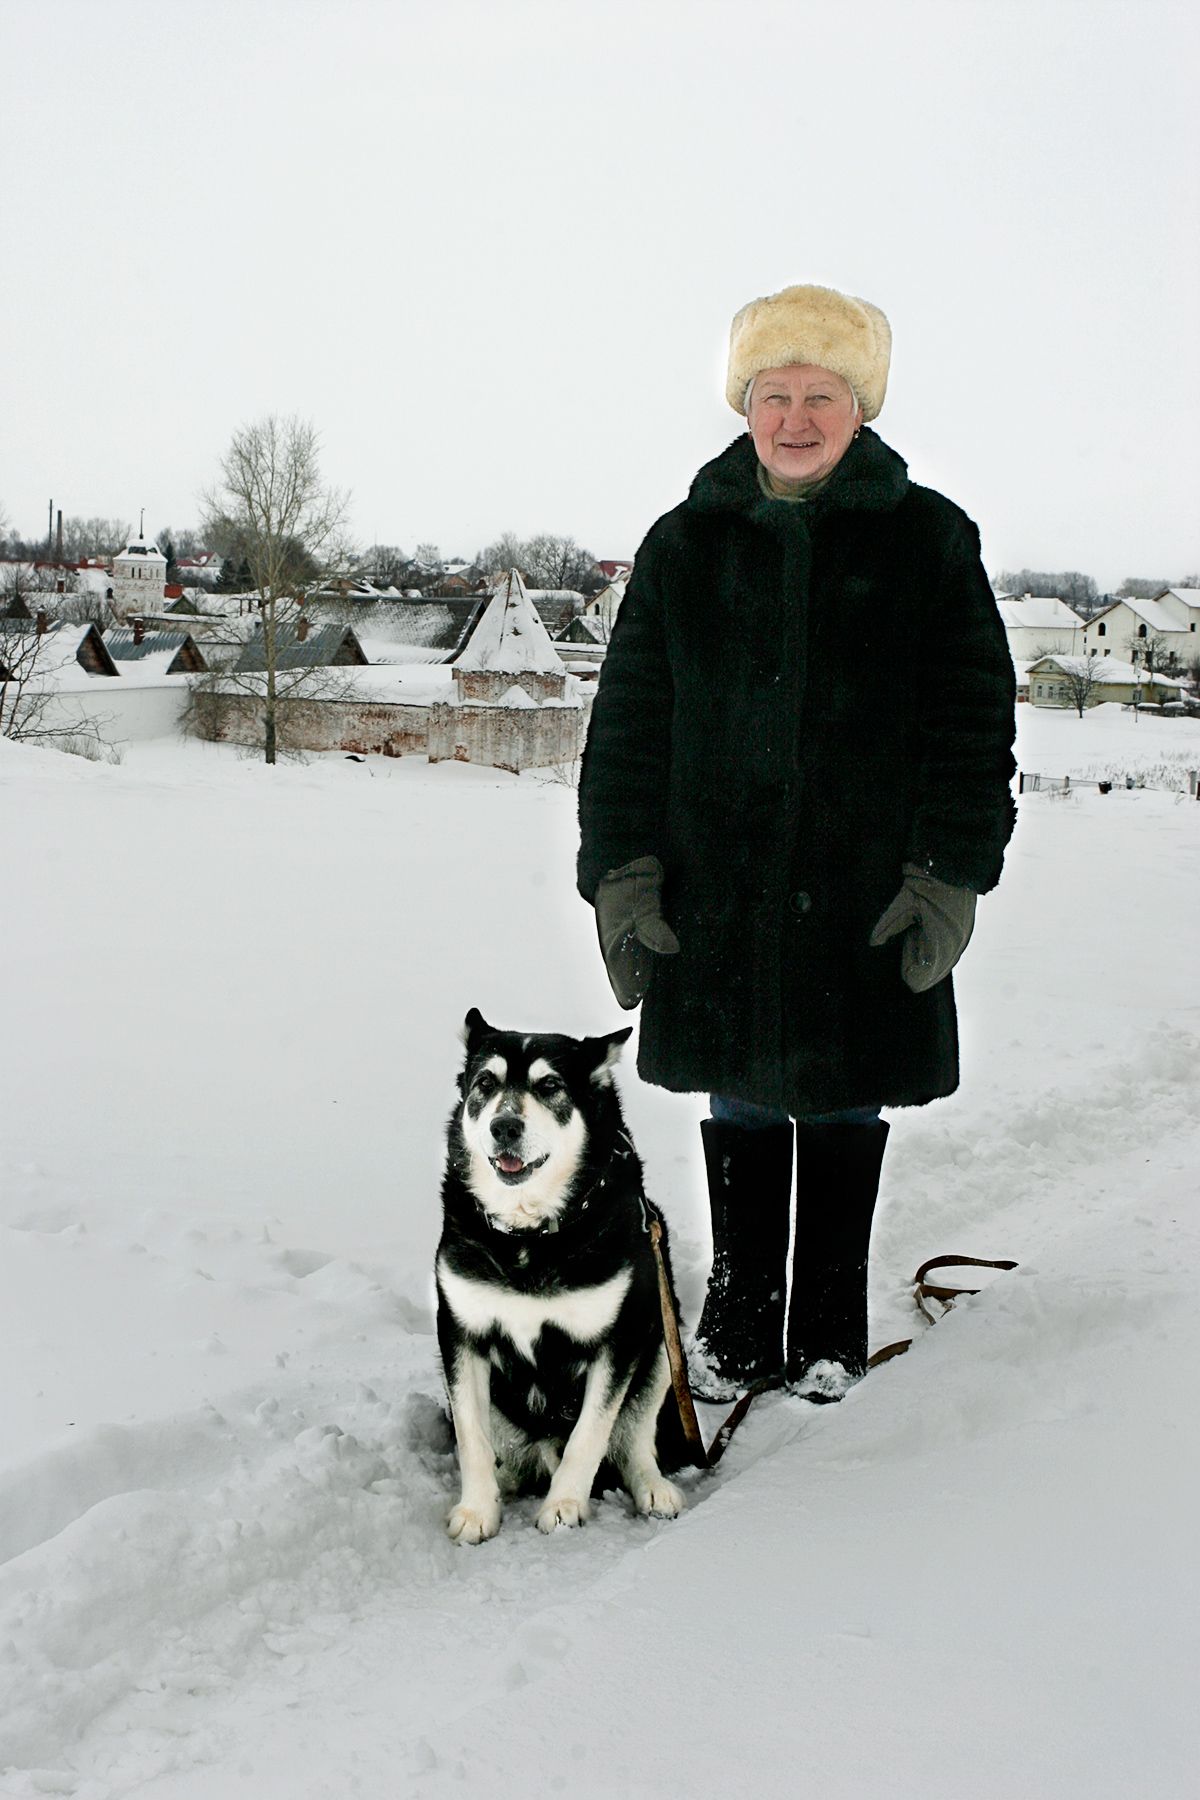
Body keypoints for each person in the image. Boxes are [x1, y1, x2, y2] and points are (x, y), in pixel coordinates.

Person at [576, 282, 1016, 1402]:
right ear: (746, 406)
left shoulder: (929, 541)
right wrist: (624, 877)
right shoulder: (684, 545)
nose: (796, 417)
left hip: (872, 882)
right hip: (715, 883)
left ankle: (825, 1319)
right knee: (738, 1091)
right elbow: (628, 722)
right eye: (775, 394)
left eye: (821, 393)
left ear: (859, 407)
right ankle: (735, 1316)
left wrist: (949, 875)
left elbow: (974, 724)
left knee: (843, 1092)